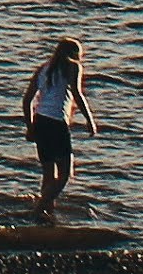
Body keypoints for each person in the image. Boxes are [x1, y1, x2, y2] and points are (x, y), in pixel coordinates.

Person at [21, 37, 94, 214]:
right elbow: (77, 94)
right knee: (65, 175)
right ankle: (39, 208)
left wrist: (31, 127)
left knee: (48, 174)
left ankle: (47, 213)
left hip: (40, 121)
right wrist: (90, 120)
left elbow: (27, 100)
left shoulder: (43, 69)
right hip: (56, 123)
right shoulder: (73, 67)